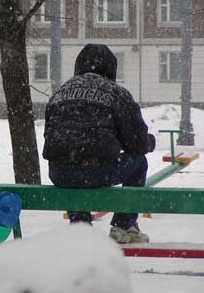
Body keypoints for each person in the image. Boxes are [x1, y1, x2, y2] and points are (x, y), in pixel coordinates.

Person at [43, 44, 156, 244]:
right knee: (138, 163)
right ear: (111, 69)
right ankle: (124, 226)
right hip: (97, 170)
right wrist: (149, 142)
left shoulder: (59, 93)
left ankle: (80, 224)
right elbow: (136, 144)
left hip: (59, 172)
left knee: (71, 162)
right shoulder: (116, 93)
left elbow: (52, 137)